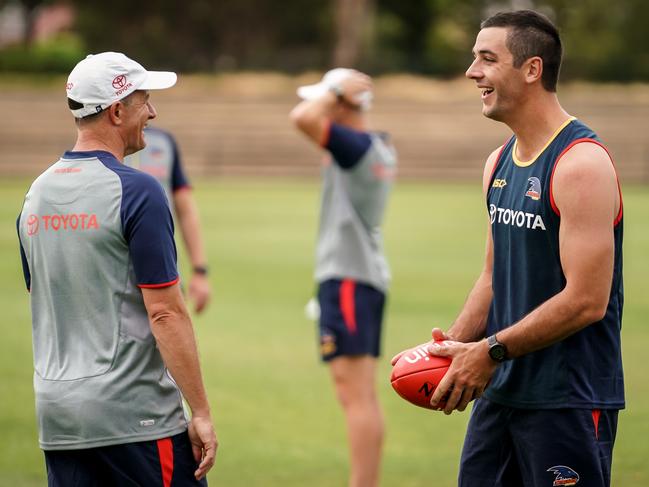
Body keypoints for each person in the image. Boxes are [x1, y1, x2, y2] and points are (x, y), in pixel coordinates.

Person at [418, 10, 623, 487]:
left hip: (567, 398)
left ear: (532, 70)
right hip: (501, 392)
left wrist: (487, 352)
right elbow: (493, 277)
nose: (472, 72)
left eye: (487, 59)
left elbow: (587, 300)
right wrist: (453, 348)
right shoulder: (498, 162)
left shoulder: (580, 164)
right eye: (474, 59)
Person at [17, 52, 217, 486]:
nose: (153, 112)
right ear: (117, 110)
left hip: (60, 421)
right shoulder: (138, 191)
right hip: (136, 419)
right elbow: (164, 312)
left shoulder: (36, 194)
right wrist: (199, 411)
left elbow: (47, 301)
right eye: (145, 100)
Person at [290, 68, 397, 487]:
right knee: (358, 393)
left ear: (341, 105)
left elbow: (301, 118)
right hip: (359, 275)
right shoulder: (372, 146)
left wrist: (335, 93)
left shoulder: (355, 146)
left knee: (355, 395)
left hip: (349, 277)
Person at [125, 127, 211, 314]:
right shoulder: (94, 147)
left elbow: (185, 208)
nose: (151, 110)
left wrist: (200, 271)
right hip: (114, 283)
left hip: (163, 274)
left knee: (170, 335)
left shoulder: (163, 142)